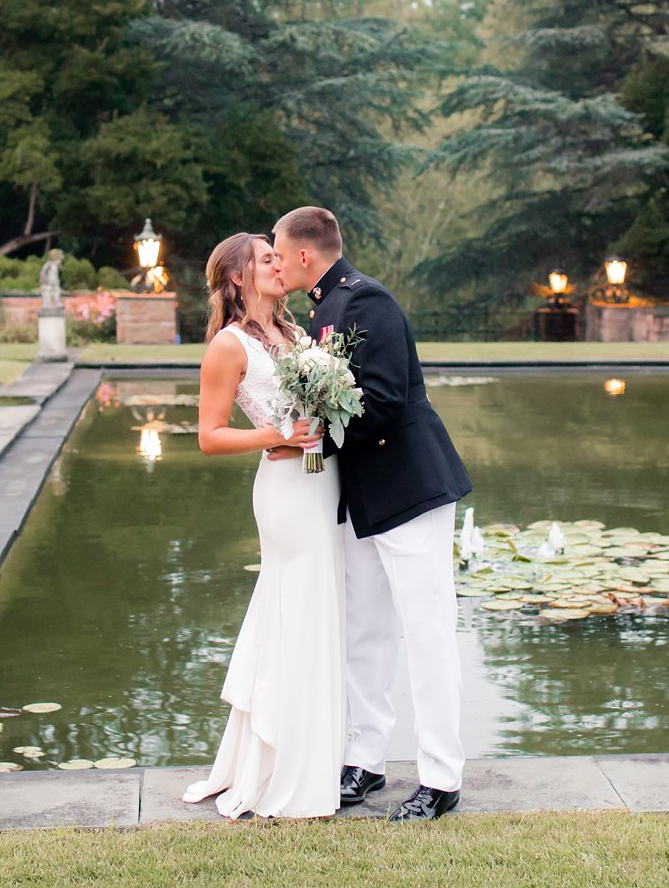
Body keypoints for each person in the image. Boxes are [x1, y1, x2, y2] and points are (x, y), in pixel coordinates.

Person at [271, 206, 473, 822]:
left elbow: (382, 402)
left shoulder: (367, 301)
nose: (274, 262)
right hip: (361, 497)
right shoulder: (323, 306)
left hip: (407, 488)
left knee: (428, 633)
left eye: (278, 252)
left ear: (307, 255)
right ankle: (367, 762)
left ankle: (441, 778)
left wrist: (315, 436)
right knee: (365, 632)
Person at [181, 232, 345, 820]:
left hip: (322, 480)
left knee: (316, 613)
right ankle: (282, 768)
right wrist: (276, 434)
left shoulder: (298, 335)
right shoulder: (228, 346)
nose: (279, 264)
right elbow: (209, 435)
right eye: (266, 258)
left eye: (278, 256)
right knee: (292, 611)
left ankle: (312, 758)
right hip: (285, 492)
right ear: (236, 278)